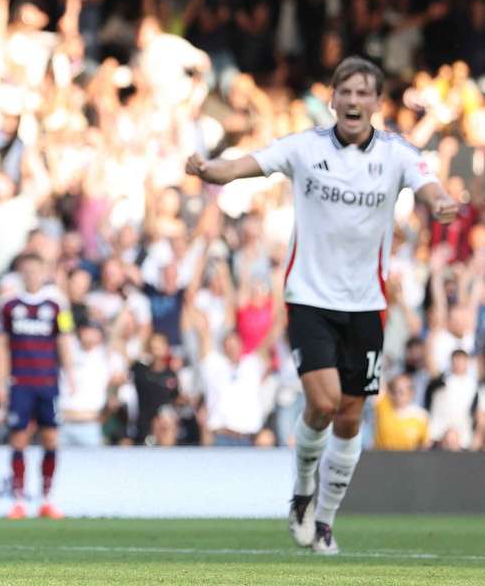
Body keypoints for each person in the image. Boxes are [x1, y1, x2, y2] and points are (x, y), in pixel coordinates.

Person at [186, 56, 457, 554]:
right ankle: (302, 492)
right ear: (332, 98)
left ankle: (325, 521)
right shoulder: (304, 148)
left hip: (368, 305)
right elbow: (243, 166)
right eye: (345, 92)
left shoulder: (397, 153)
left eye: (363, 93)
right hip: (309, 298)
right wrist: (209, 170)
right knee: (325, 402)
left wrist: (440, 202)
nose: (353, 101)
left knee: (351, 417)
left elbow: (430, 185)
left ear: (377, 102)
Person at [0, 253, 75, 519]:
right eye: (26, 271)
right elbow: (1, 345)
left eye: (36, 271)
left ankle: (47, 499)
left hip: (47, 381)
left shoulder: (56, 302)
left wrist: (70, 371)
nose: (31, 276)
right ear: (20, 274)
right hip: (20, 381)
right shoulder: (8, 304)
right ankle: (18, 501)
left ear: (44, 272)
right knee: (19, 437)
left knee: (51, 437)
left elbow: (64, 338)